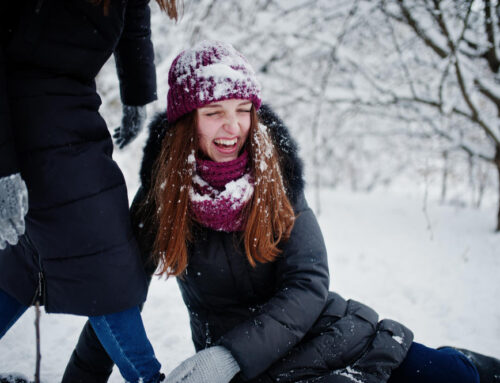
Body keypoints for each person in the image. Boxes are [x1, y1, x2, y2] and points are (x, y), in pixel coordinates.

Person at [65, 40, 500, 383]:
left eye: (242, 111)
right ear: (186, 123)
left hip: (325, 335)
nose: (232, 127)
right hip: (247, 369)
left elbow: (309, 284)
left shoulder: (276, 179)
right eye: (214, 113)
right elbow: (115, 295)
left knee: (452, 376)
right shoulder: (163, 198)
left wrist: (230, 355)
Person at [0, 1, 180, 383]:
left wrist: (137, 94)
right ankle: (149, 378)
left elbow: (132, 20)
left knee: (26, 260)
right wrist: (2, 168)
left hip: (77, 108)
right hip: (17, 115)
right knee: (105, 253)